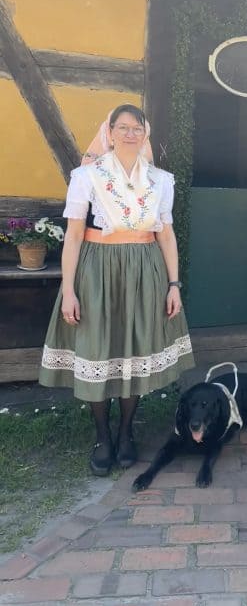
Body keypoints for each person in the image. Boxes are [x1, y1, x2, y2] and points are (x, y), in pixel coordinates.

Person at [39, 104, 194, 475]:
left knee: (133, 350)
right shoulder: (87, 176)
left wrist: (174, 284)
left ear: (145, 133)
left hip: (145, 270)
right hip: (97, 271)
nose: (128, 133)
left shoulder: (160, 180)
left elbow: (166, 235)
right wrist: (69, 289)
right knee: (98, 350)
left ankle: (126, 433)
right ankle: (102, 437)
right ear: (109, 133)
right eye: (121, 127)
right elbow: (74, 237)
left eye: (135, 127)